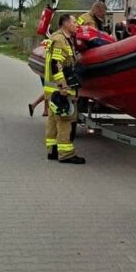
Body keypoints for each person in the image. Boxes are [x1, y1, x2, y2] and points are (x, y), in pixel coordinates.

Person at [44, 13, 85, 164]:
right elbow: (56, 65)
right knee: (65, 121)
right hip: (61, 88)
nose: (77, 25)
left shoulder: (63, 39)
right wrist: (63, 86)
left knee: (53, 121)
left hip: (53, 88)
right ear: (66, 23)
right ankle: (66, 154)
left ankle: (53, 150)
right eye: (74, 22)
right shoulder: (60, 40)